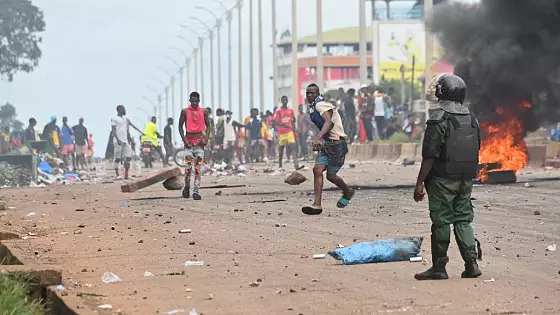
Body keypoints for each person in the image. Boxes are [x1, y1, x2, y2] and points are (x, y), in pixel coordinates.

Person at [413, 74, 482, 281]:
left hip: (442, 180)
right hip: (465, 179)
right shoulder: (472, 118)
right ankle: (471, 265)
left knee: (441, 221)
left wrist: (419, 184)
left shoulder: (438, 118)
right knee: (463, 220)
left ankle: (439, 268)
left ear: (441, 92)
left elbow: (429, 156)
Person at [302, 83, 354, 215]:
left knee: (331, 176)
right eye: (307, 93)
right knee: (317, 170)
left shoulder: (320, 105)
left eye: (312, 93)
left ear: (318, 94)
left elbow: (329, 122)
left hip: (337, 145)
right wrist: (320, 138)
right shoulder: (313, 108)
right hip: (327, 145)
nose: (309, 95)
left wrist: (318, 137)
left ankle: (348, 191)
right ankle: (317, 205)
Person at [179, 92, 210, 200]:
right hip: (189, 144)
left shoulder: (204, 112)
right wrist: (184, 140)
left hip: (199, 145)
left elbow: (208, 126)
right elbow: (180, 127)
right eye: (193, 101)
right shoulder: (185, 111)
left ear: (199, 101)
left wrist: (206, 139)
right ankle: (187, 187)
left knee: (197, 169)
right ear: (190, 100)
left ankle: (196, 191)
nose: (195, 103)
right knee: (188, 168)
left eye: (196, 101)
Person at [111, 105, 142, 179]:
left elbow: (128, 129)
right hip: (118, 140)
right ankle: (117, 174)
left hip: (125, 141)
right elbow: (113, 130)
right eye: (123, 109)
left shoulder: (125, 119)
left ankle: (126, 174)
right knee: (118, 158)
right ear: (119, 110)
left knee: (128, 157)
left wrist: (131, 139)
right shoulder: (114, 119)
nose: (125, 111)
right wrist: (118, 139)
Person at [273, 96, 299, 170]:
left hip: (289, 131)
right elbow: (276, 122)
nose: (285, 101)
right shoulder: (278, 111)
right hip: (281, 133)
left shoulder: (290, 110)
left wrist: (294, 130)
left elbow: (293, 120)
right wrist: (284, 124)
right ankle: (280, 165)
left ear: (287, 101)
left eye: (286, 99)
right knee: (281, 149)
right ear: (281, 101)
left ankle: (296, 163)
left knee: (293, 146)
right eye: (283, 100)